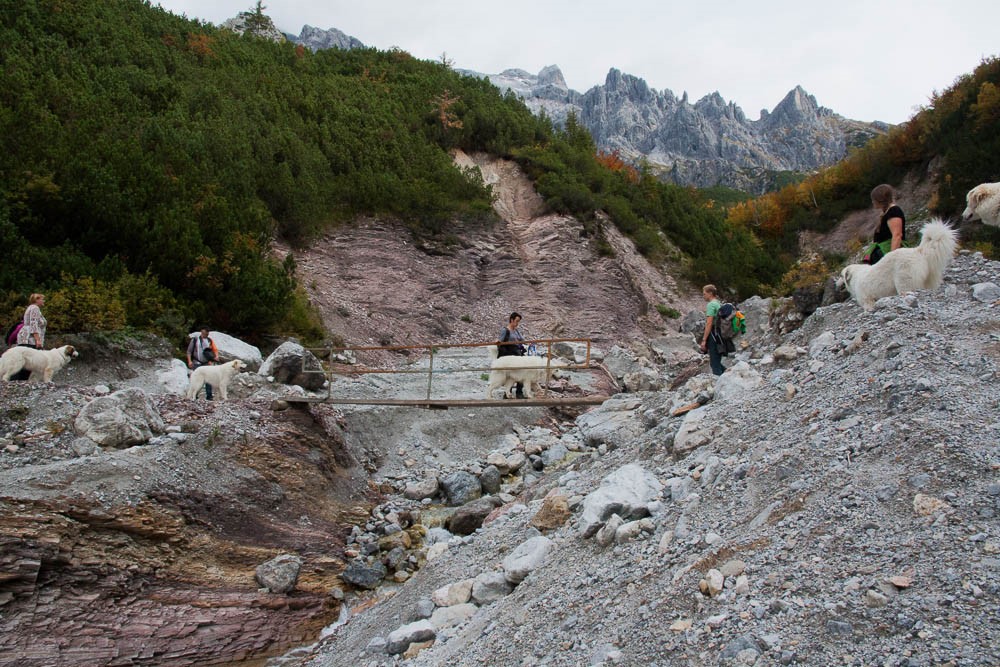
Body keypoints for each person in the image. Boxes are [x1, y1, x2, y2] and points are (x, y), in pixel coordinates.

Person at [866, 184, 905, 265]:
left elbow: (897, 235)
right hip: (883, 254)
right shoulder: (887, 212)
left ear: (880, 199)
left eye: (873, 199)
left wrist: (891, 260)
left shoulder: (894, 211)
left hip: (888, 253)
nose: (872, 202)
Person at [12, 293, 46, 381]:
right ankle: (18, 381)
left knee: (24, 361)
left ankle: (18, 381)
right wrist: (37, 340)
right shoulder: (35, 308)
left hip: (26, 338)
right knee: (28, 361)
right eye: (42, 299)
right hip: (29, 339)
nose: (43, 301)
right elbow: (33, 324)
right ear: (37, 300)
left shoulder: (31, 308)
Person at [497, 312, 527, 398]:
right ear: (512, 320)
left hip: (518, 354)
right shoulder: (505, 330)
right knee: (510, 374)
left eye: (518, 322)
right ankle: (507, 393)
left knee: (522, 372)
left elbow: (522, 339)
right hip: (509, 355)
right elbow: (500, 341)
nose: (517, 323)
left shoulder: (516, 330)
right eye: (516, 321)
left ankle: (519, 392)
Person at [699, 285, 726, 376]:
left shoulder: (711, 305)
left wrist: (704, 340)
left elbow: (709, 323)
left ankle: (719, 385)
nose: (703, 296)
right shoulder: (718, 303)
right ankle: (729, 375)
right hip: (720, 335)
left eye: (704, 294)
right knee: (716, 361)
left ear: (710, 293)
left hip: (714, 336)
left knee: (714, 363)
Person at [186, 327, 219, 400]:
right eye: (204, 334)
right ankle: (195, 396)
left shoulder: (209, 340)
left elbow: (215, 349)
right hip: (197, 362)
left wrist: (216, 356)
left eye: (207, 334)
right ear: (201, 332)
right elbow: (189, 351)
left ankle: (209, 396)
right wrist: (189, 361)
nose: (205, 335)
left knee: (209, 380)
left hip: (207, 363)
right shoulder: (195, 340)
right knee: (197, 379)